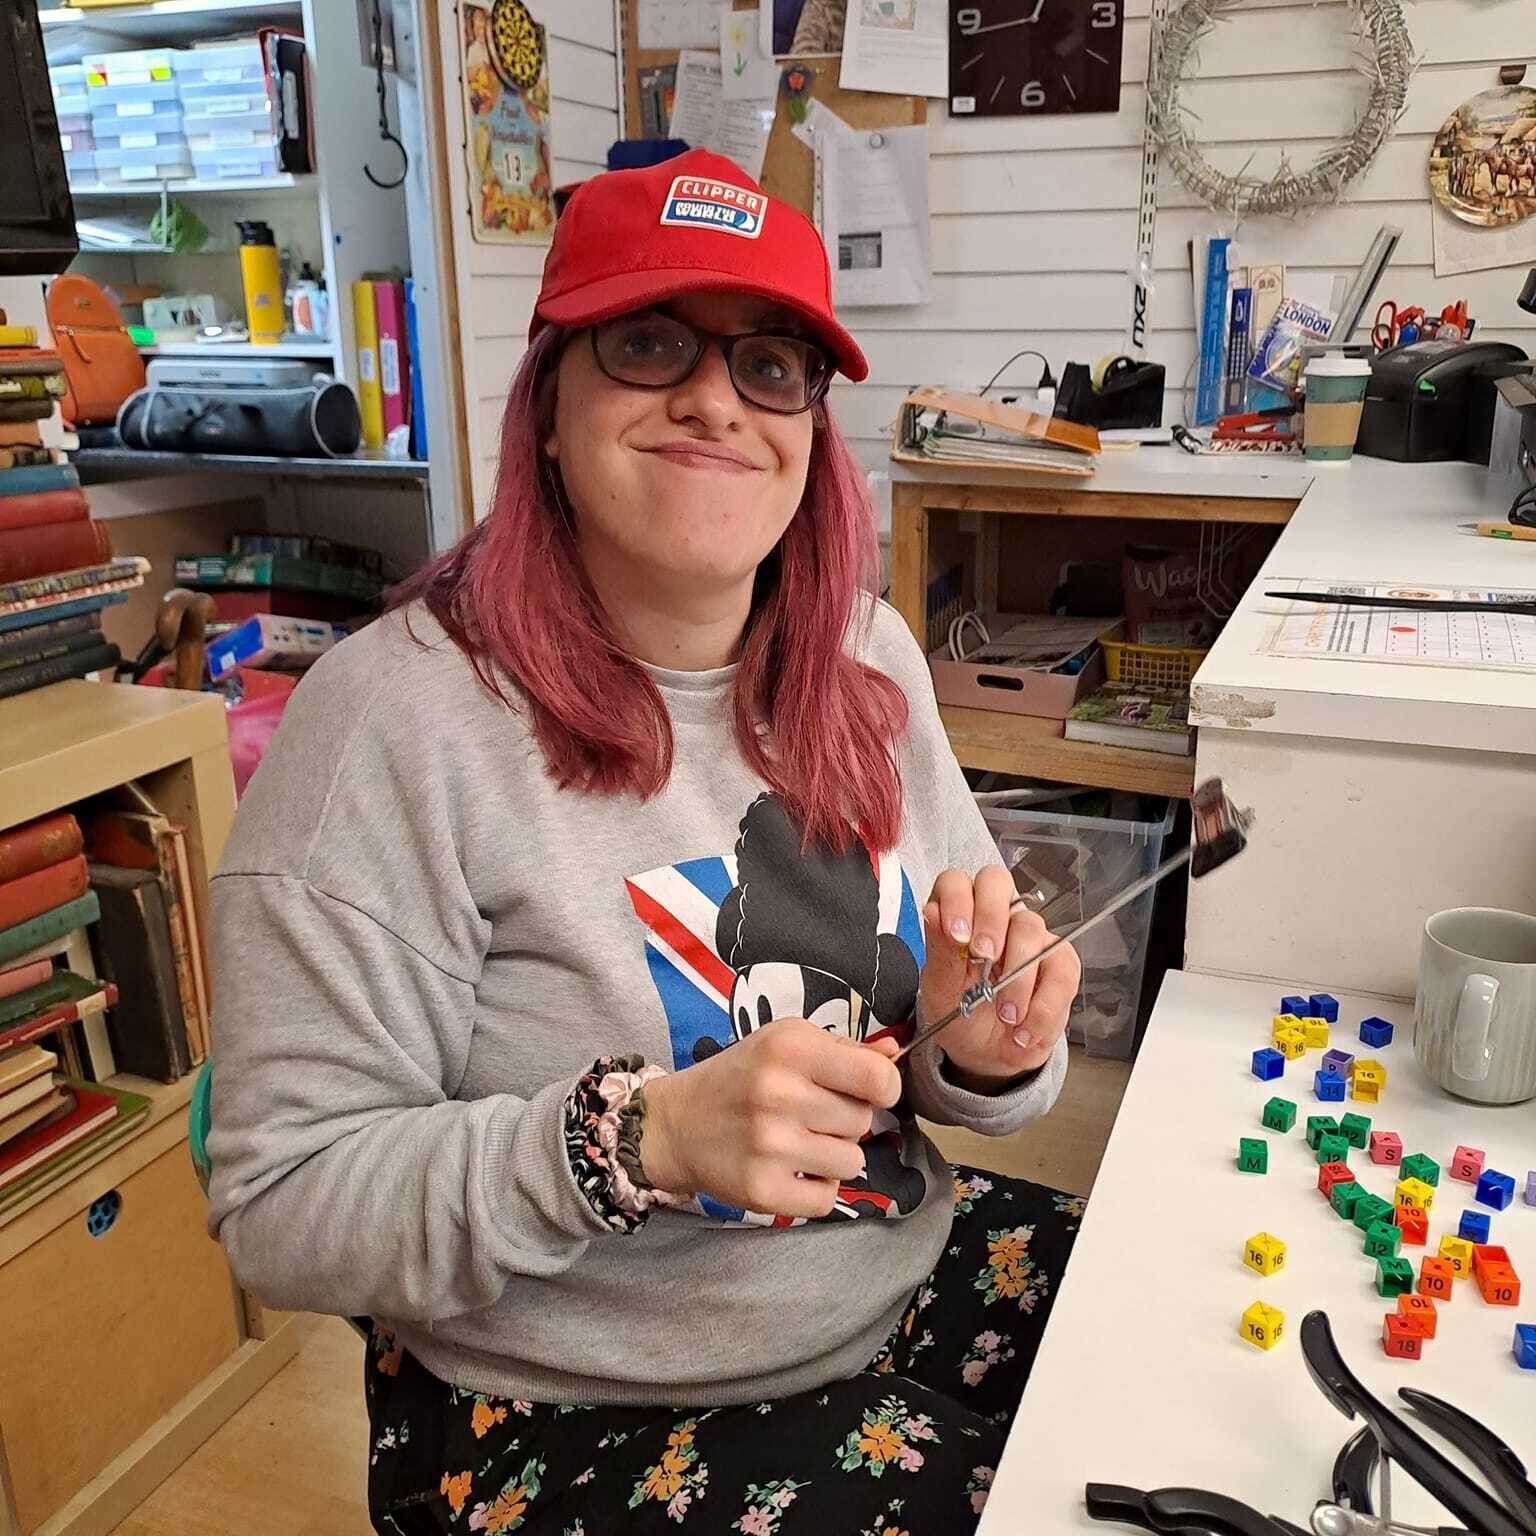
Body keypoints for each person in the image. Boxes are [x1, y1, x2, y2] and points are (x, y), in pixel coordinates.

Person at [206, 148, 1083, 1535]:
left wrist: (988, 1048)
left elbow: (956, 1041)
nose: (715, 400)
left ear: (810, 428)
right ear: (549, 405)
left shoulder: (868, 655)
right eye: (651, 342)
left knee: (1182, 1340)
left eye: (771, 364)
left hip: (892, 1279)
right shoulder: (390, 722)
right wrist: (644, 1140)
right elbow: (283, 1205)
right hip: (572, 1408)